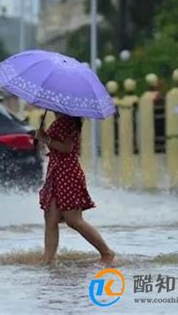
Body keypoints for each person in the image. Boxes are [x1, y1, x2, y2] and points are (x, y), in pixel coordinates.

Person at [35, 112, 115, 266]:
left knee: (74, 220)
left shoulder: (67, 121)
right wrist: (43, 138)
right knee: (50, 218)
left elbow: (67, 148)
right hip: (56, 172)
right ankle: (48, 260)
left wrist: (46, 139)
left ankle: (106, 252)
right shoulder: (63, 120)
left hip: (67, 173)